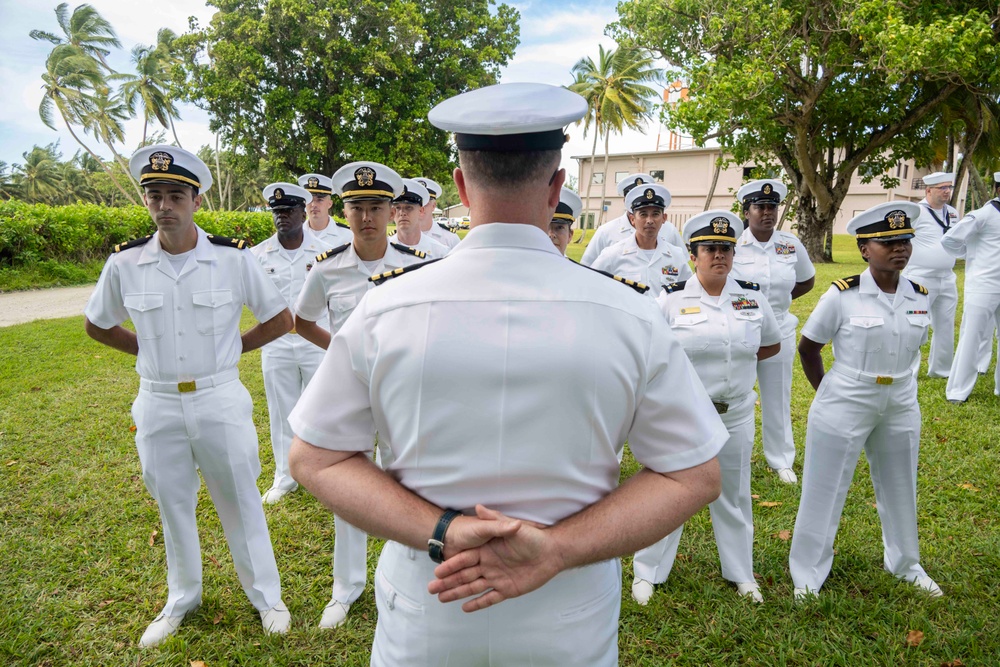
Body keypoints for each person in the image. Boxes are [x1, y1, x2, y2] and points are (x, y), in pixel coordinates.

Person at [287, 82, 725, 666]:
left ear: (463, 187)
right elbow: (694, 474)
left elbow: (314, 458)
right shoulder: (629, 312)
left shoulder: (386, 307)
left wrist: (442, 528)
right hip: (569, 606)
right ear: (556, 186)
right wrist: (557, 549)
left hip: (431, 595)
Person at [83, 145, 293, 646]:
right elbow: (97, 324)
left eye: (175, 195)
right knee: (172, 504)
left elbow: (281, 319)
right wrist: (141, 352)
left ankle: (267, 597)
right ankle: (182, 597)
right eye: (154, 196)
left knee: (241, 500)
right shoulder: (126, 263)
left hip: (219, 398)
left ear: (196, 200)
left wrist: (232, 349)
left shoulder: (231, 258)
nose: (164, 206)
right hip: (156, 403)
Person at [293, 160, 426, 629]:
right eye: (356, 207)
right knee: (349, 488)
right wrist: (342, 354)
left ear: (391, 211)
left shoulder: (415, 268)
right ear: (343, 212)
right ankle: (346, 588)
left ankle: (411, 576)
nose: (366, 216)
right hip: (349, 394)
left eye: (375, 206)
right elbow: (302, 320)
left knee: (406, 480)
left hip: (399, 392)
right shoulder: (327, 270)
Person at [789, 201, 942, 600]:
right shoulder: (842, 296)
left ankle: (906, 563)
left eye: (904, 240)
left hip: (901, 399)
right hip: (847, 395)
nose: (899, 248)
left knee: (900, 484)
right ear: (863, 249)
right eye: (887, 241)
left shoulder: (920, 295)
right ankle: (807, 574)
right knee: (825, 487)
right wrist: (830, 394)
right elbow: (808, 348)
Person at [631, 210, 782, 606]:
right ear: (692, 254)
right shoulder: (671, 299)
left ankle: (741, 573)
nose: (720, 256)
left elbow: (769, 344)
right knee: (671, 494)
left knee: (734, 495)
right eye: (710, 249)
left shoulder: (752, 296)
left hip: (736, 413)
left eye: (727, 249)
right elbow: (651, 355)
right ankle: (647, 570)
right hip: (686, 415)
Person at [730, 179, 816, 484]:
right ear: (747, 210)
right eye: (760, 207)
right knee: (733, 393)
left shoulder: (789, 244)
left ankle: (781, 460)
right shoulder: (733, 244)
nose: (767, 213)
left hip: (778, 328)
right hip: (740, 328)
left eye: (772, 207)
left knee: (777, 395)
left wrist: (777, 304)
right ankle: (726, 453)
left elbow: (806, 280)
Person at [251, 182, 328, 504]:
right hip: (278, 344)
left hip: (316, 343)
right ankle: (285, 476)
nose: (282, 216)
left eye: (288, 211)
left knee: (320, 411)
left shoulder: (324, 253)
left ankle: (323, 475)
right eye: (277, 212)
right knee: (281, 411)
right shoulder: (257, 255)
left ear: (302, 211)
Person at [942, 171, 1000, 402]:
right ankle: (957, 391)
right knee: (971, 336)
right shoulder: (983, 214)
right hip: (984, 285)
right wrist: (971, 255)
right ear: (998, 188)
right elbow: (949, 239)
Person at [901, 172, 959, 378]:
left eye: (949, 188)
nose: (946, 191)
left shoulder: (952, 213)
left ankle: (941, 370)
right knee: (916, 324)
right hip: (920, 277)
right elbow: (901, 239)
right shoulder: (916, 211)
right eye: (942, 188)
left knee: (945, 325)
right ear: (928, 190)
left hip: (947, 277)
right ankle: (909, 371)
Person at [590, 183, 693, 296]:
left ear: (664, 218)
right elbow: (591, 287)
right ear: (632, 219)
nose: (649, 220)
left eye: (655, 214)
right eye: (643, 214)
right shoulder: (612, 255)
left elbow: (689, 293)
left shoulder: (676, 256)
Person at [580, 173, 684, 266]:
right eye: (633, 195)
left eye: (655, 213)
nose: (649, 220)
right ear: (625, 200)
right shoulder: (606, 231)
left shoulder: (670, 230)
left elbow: (681, 266)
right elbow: (587, 267)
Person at [389, 178, 450, 257]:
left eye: (408, 208)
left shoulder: (440, 252)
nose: (402, 213)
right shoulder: (382, 251)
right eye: (397, 208)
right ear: (392, 212)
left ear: (421, 211)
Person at [299, 172, 353, 247]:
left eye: (319, 200)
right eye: (310, 200)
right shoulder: (295, 234)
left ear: (330, 204)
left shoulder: (347, 235)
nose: (313, 204)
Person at [414, 176, 461, 250]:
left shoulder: (450, 238)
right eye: (416, 202)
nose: (421, 207)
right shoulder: (398, 237)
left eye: (425, 202)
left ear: (433, 206)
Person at [548, 187, 582, 256]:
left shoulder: (574, 267)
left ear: (570, 235)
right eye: (545, 227)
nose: (551, 235)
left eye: (559, 227)